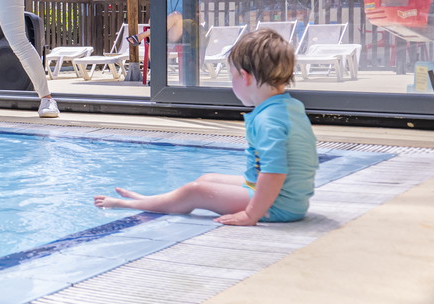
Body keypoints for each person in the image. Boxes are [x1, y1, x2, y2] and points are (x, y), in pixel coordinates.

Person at [93, 29, 318, 225]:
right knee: (206, 180)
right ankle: (152, 201)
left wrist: (251, 214)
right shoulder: (289, 107)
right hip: (286, 198)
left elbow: (275, 172)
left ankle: (131, 204)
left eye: (232, 76)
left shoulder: (267, 120)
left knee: (196, 191)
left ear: (245, 77)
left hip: (277, 205)